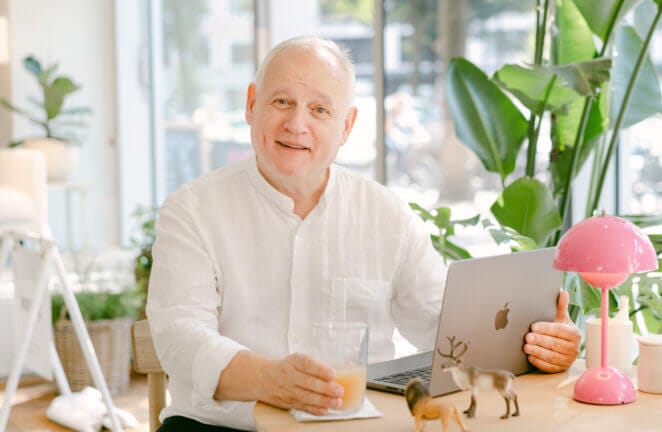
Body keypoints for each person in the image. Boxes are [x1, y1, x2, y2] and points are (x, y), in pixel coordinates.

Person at [146, 36, 581, 432]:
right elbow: (180, 338)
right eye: (281, 101)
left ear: (347, 127)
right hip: (221, 428)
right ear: (251, 104)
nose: (297, 124)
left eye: (320, 109)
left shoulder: (386, 214)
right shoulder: (192, 210)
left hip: (356, 426)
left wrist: (538, 344)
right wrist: (267, 380)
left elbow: (444, 325)